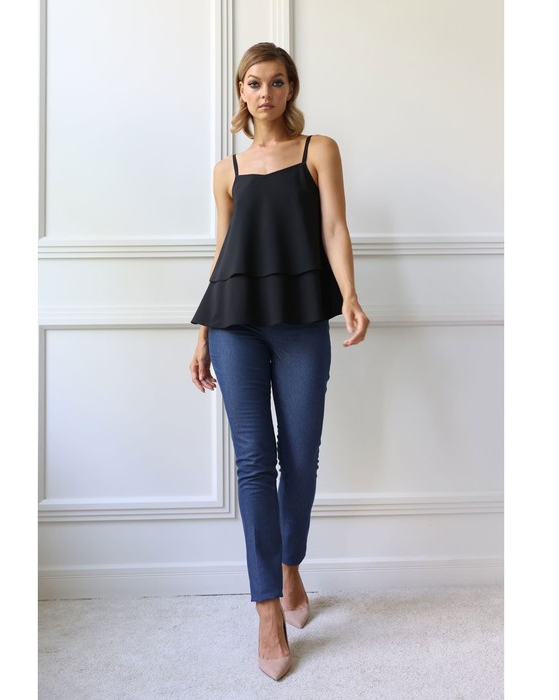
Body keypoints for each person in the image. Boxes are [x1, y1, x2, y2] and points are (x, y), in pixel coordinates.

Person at [189, 42, 369, 681]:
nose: (264, 93)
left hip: (300, 322)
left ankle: (291, 563)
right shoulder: (227, 170)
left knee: (301, 454)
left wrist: (349, 295)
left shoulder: (319, 150)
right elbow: (222, 254)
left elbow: (334, 229)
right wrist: (204, 333)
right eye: (253, 83)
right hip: (234, 324)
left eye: (276, 82)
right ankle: (267, 608)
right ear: (241, 91)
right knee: (252, 462)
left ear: (291, 89)